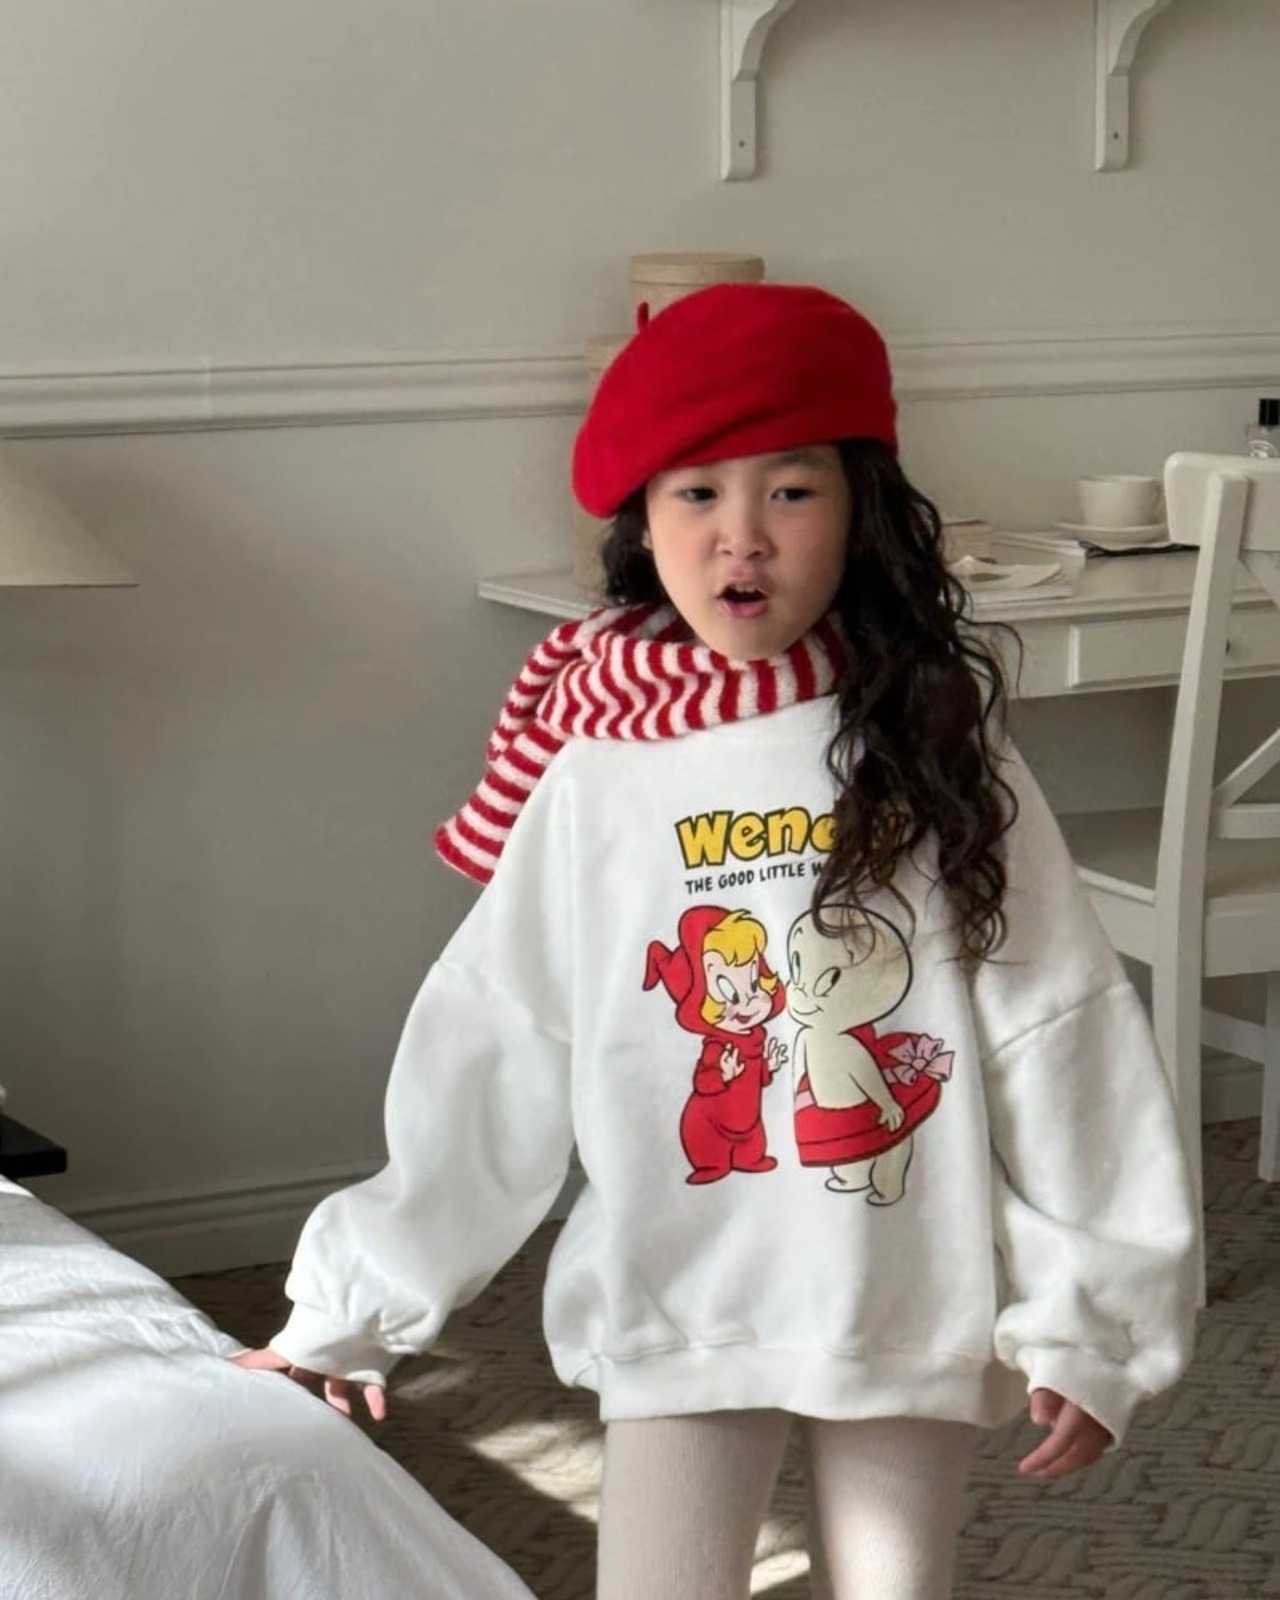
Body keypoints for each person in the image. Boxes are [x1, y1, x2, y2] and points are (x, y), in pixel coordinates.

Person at [235, 283, 1199, 1600]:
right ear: (644, 522)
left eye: (791, 491)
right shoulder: (596, 768)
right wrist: (355, 1302)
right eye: (697, 493)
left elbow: (1058, 1024)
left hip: (902, 1282)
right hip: (678, 1286)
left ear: (861, 513)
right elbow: (501, 1038)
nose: (743, 535)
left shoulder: (932, 739)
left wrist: (1096, 1314)